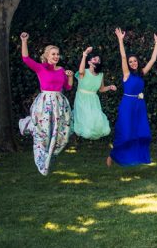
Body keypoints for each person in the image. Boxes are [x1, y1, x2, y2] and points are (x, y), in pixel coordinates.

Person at [18, 32, 74, 175]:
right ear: (47, 56)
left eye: (57, 54)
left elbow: (68, 87)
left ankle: (52, 155)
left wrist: (71, 77)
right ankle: (42, 159)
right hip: (44, 104)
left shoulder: (61, 70)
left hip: (59, 104)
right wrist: (24, 41)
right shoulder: (40, 68)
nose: (56, 56)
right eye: (53, 54)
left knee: (63, 133)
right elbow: (25, 58)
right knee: (43, 133)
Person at [107, 28, 157, 167]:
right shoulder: (126, 74)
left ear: (137, 62)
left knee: (139, 131)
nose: (132, 63)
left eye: (134, 61)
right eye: (131, 62)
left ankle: (137, 157)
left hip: (139, 106)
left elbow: (153, 59)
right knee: (125, 131)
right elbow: (123, 57)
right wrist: (120, 40)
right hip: (127, 105)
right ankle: (113, 154)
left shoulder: (142, 72)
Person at [73, 47, 116, 140]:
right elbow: (80, 71)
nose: (97, 61)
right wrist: (85, 55)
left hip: (93, 99)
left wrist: (109, 87)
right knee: (87, 119)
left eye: (98, 60)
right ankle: (84, 134)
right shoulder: (84, 72)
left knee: (97, 118)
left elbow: (101, 89)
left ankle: (93, 133)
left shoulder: (100, 74)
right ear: (89, 62)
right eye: (95, 59)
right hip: (82, 98)